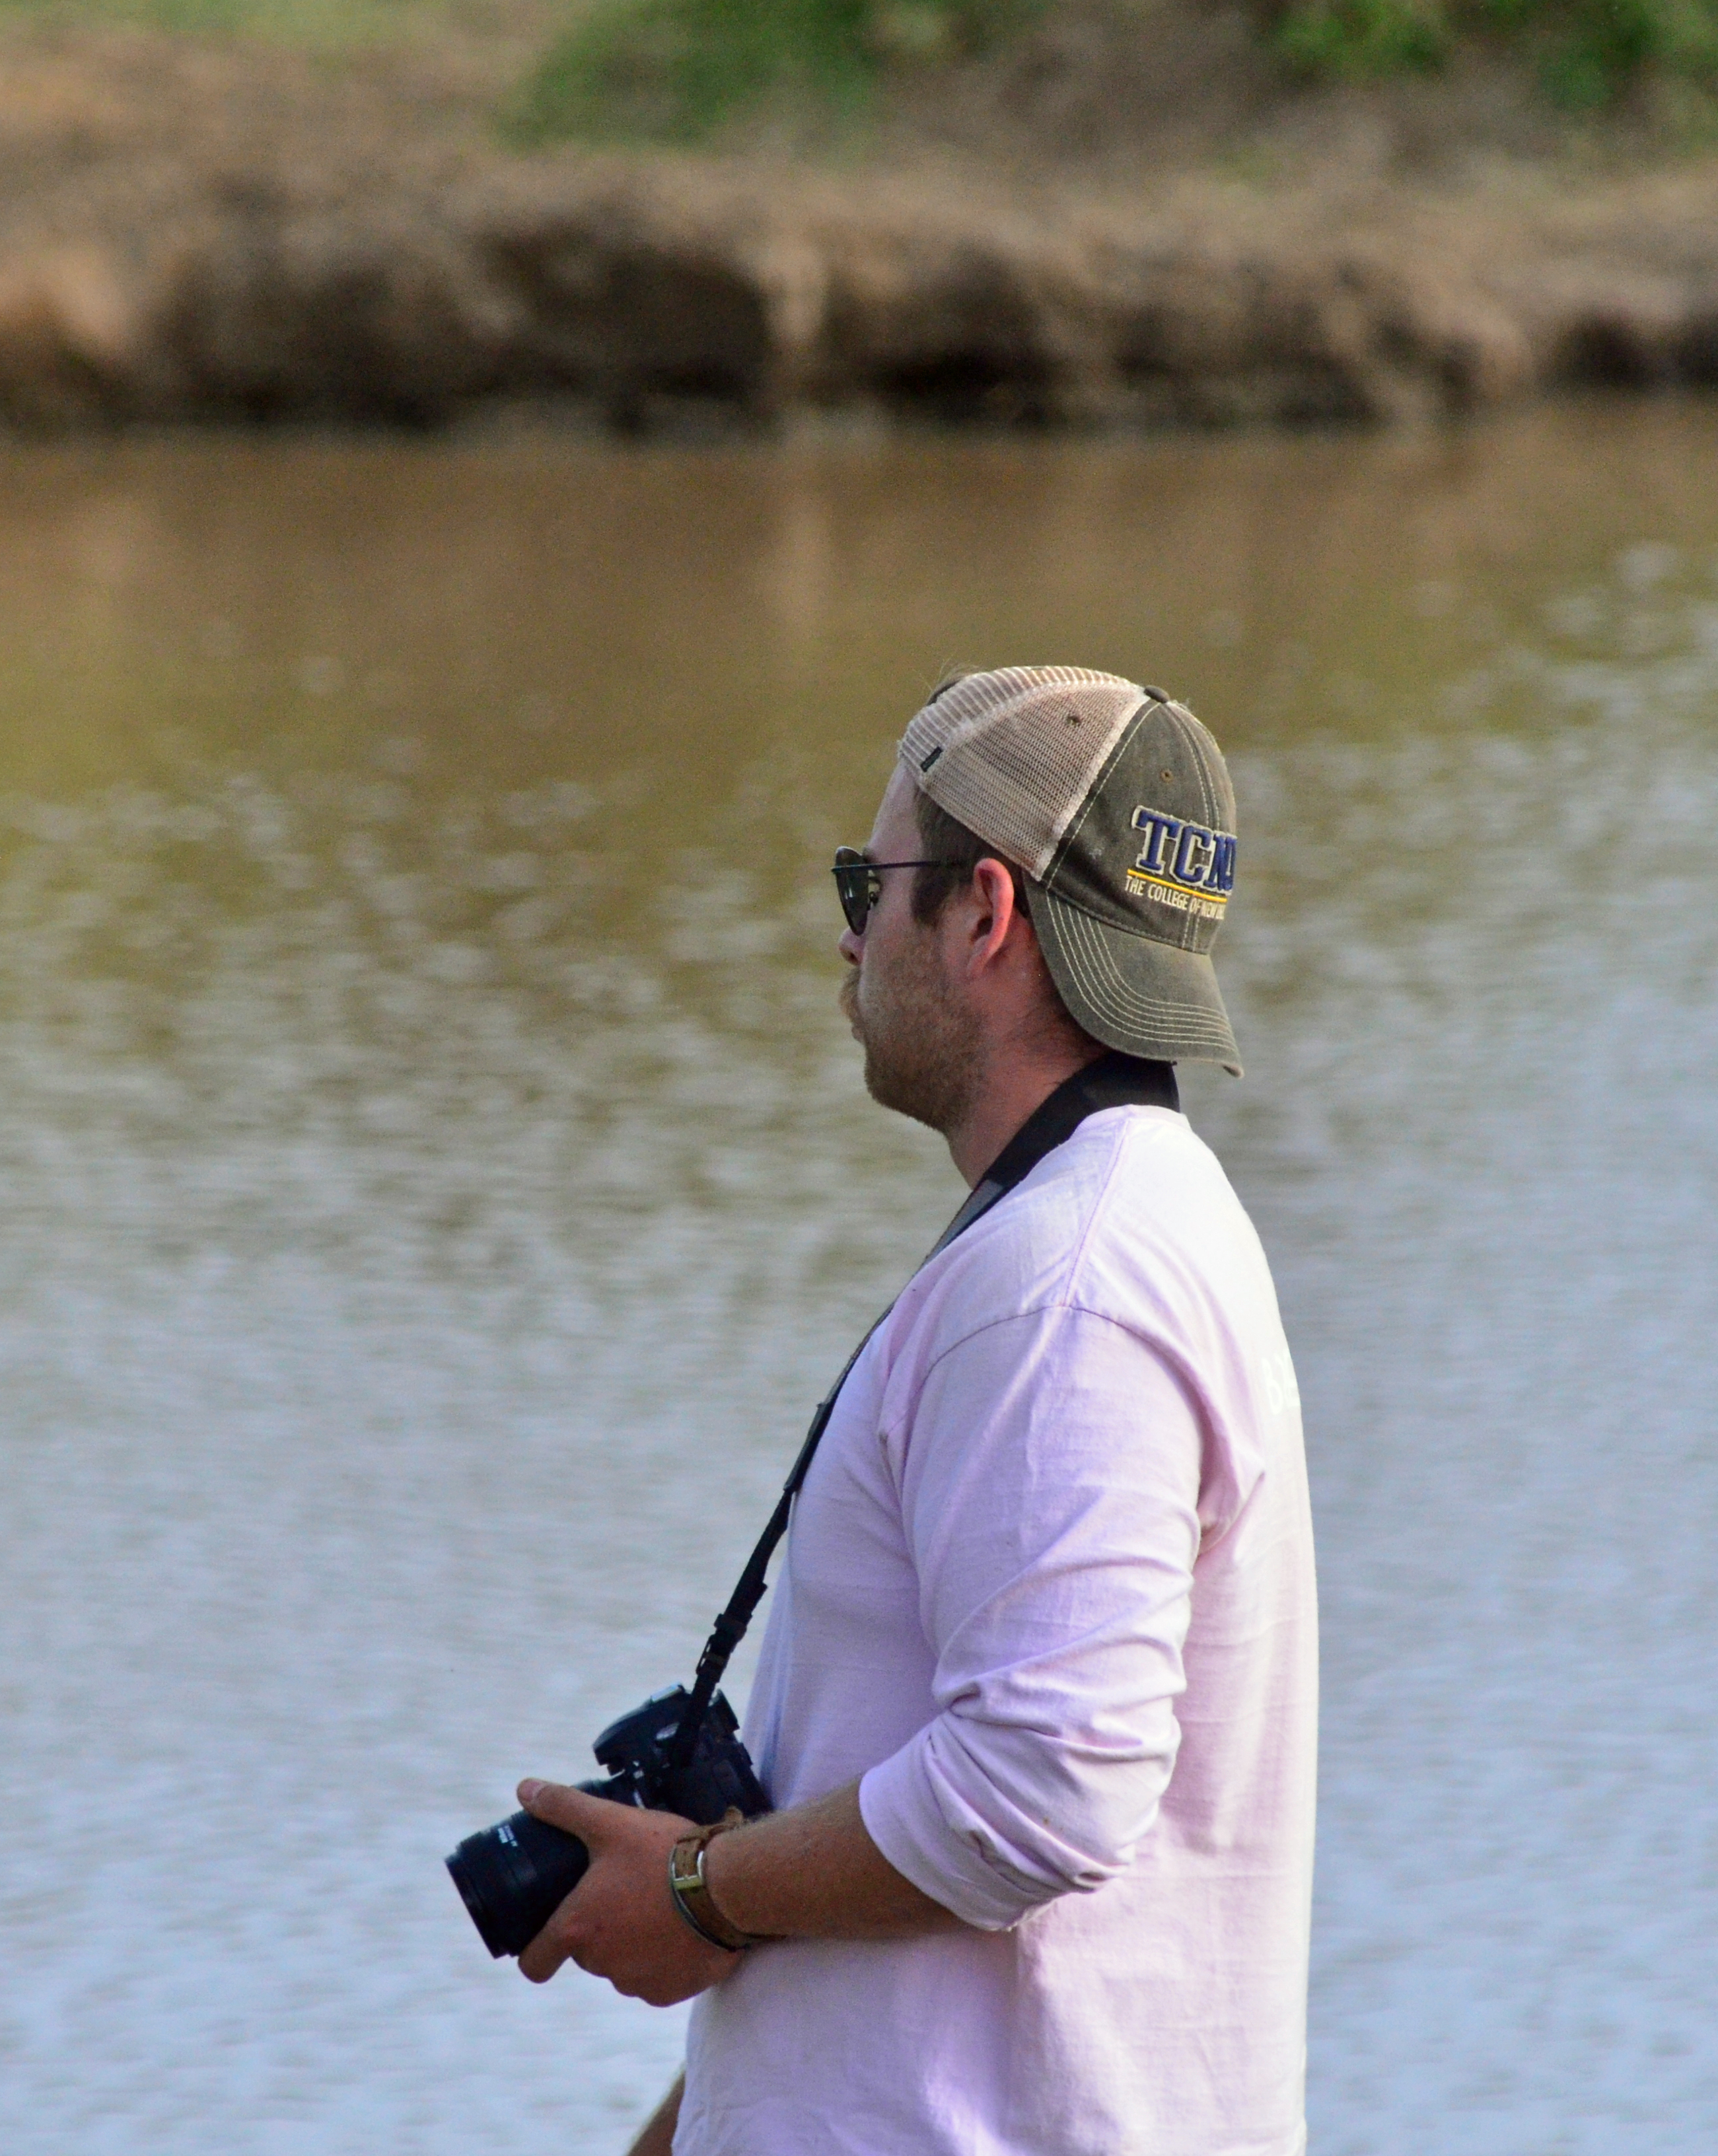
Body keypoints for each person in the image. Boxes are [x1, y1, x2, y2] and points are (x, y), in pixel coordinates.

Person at [512, 667, 1317, 2156]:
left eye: (866, 883)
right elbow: (947, 1814)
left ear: (983, 917)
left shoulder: (1062, 1284)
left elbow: (1044, 1787)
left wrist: (696, 1892)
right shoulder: (1117, 1227)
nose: (844, 932)